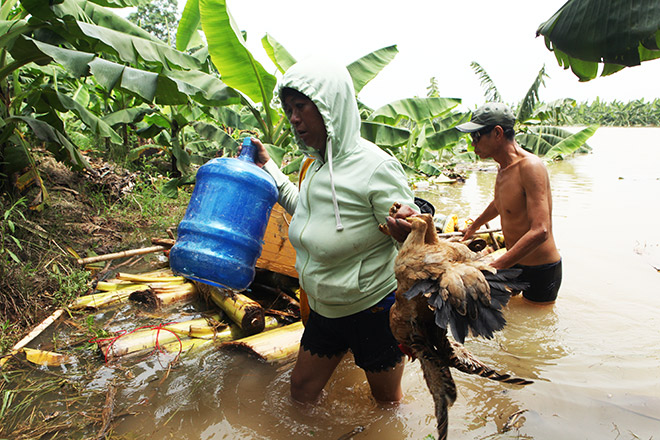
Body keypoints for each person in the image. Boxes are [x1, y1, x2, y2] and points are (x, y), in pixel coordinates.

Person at [247, 58, 417, 404]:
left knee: (386, 405)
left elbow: (412, 232)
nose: (293, 118)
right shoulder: (315, 164)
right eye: (288, 108)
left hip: (372, 309)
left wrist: (407, 228)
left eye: (301, 107)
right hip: (326, 308)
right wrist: (269, 169)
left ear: (330, 107)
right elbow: (304, 209)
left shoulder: (375, 166)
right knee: (301, 391)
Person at [456, 102, 562, 304]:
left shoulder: (530, 167)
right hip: (514, 263)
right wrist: (475, 226)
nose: (472, 144)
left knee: (537, 330)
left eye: (477, 136)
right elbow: (500, 202)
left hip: (540, 269)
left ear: (497, 133)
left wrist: (495, 266)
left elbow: (541, 230)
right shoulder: (502, 167)